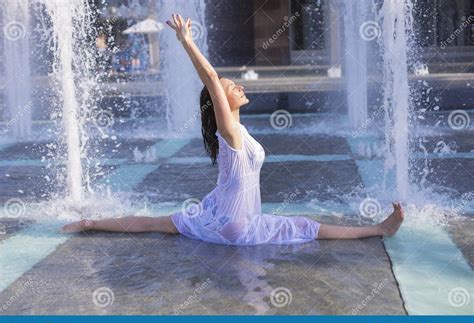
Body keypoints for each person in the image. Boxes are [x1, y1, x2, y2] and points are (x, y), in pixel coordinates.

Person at [62, 13, 404, 245]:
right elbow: (211, 79)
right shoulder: (231, 134)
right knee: (305, 227)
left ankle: (90, 224)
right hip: (237, 226)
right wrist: (186, 41)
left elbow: (217, 87)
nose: (238, 87)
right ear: (221, 102)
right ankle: (379, 229)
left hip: (219, 214)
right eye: (232, 87)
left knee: (155, 223)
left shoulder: (237, 134)